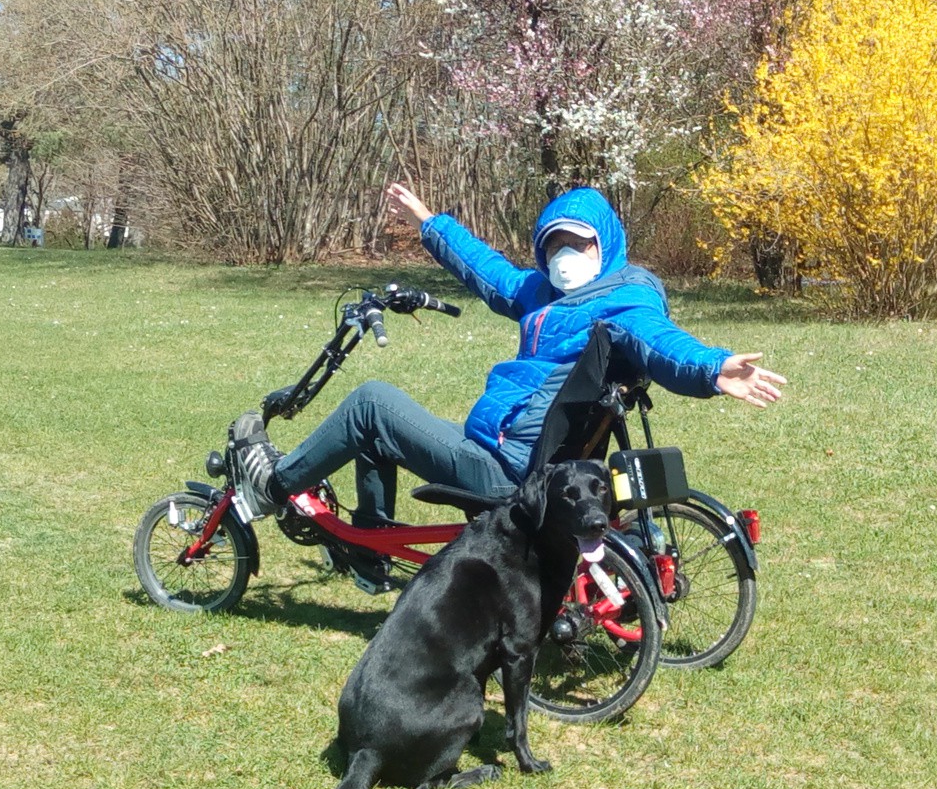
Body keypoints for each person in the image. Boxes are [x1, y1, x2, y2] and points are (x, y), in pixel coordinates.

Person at [232, 182, 785, 539]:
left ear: (605, 245)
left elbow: (663, 345)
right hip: (513, 448)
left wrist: (712, 369)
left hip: (506, 468)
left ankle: (270, 487)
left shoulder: (623, 301)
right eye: (553, 244)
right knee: (381, 432)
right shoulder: (547, 294)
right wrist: (430, 222)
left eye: (578, 243)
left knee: (372, 404)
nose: (564, 255)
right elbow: (489, 271)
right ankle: (370, 548)